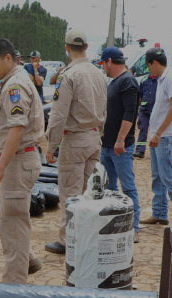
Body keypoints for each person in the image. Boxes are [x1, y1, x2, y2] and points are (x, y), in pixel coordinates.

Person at [0, 38, 45, 283]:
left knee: (13, 225)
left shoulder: (14, 87)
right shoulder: (10, 82)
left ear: (8, 58)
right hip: (18, 160)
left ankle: (13, 287)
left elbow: (16, 131)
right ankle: (28, 259)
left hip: (18, 161)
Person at [44, 29, 108, 254]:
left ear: (66, 48)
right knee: (91, 192)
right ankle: (88, 237)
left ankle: (67, 241)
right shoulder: (99, 73)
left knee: (70, 193)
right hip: (93, 137)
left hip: (75, 139)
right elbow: (104, 108)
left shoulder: (68, 75)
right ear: (87, 47)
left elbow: (58, 114)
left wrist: (51, 145)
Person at [140, 47, 172, 230]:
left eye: (148, 66)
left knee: (168, 177)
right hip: (159, 135)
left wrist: (159, 133)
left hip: (165, 136)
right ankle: (160, 213)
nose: (149, 71)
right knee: (158, 176)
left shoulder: (170, 78)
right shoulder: (163, 78)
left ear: (154, 63)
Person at [99, 46, 142, 235]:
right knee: (109, 187)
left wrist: (121, 139)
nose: (103, 68)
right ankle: (114, 222)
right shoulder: (115, 81)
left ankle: (134, 227)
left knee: (128, 187)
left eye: (103, 64)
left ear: (109, 62)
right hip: (107, 144)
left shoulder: (128, 82)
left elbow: (130, 112)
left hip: (120, 146)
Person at [135, 72, 158, 159]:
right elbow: (140, 96)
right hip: (144, 110)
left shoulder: (160, 80)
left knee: (156, 130)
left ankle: (156, 150)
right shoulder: (144, 80)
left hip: (156, 110)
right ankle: (140, 150)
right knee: (143, 128)